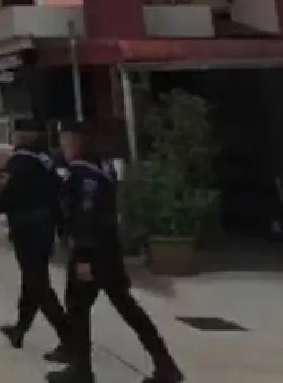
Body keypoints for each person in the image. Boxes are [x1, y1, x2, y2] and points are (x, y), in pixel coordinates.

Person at [49, 124, 183, 383]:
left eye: (65, 142)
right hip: (109, 251)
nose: (63, 148)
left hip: (92, 252)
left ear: (76, 143)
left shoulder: (82, 175)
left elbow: (87, 214)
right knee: (127, 308)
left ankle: (81, 370)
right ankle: (165, 365)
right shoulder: (103, 168)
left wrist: (84, 255)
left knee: (78, 309)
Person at [0, 117, 68, 356]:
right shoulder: (49, 161)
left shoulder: (18, 163)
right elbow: (58, 197)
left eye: (17, 133)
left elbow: (3, 195)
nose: (14, 137)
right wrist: (61, 228)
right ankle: (20, 328)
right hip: (45, 228)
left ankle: (69, 338)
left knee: (37, 284)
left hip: (27, 229)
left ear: (25, 136)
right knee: (32, 281)